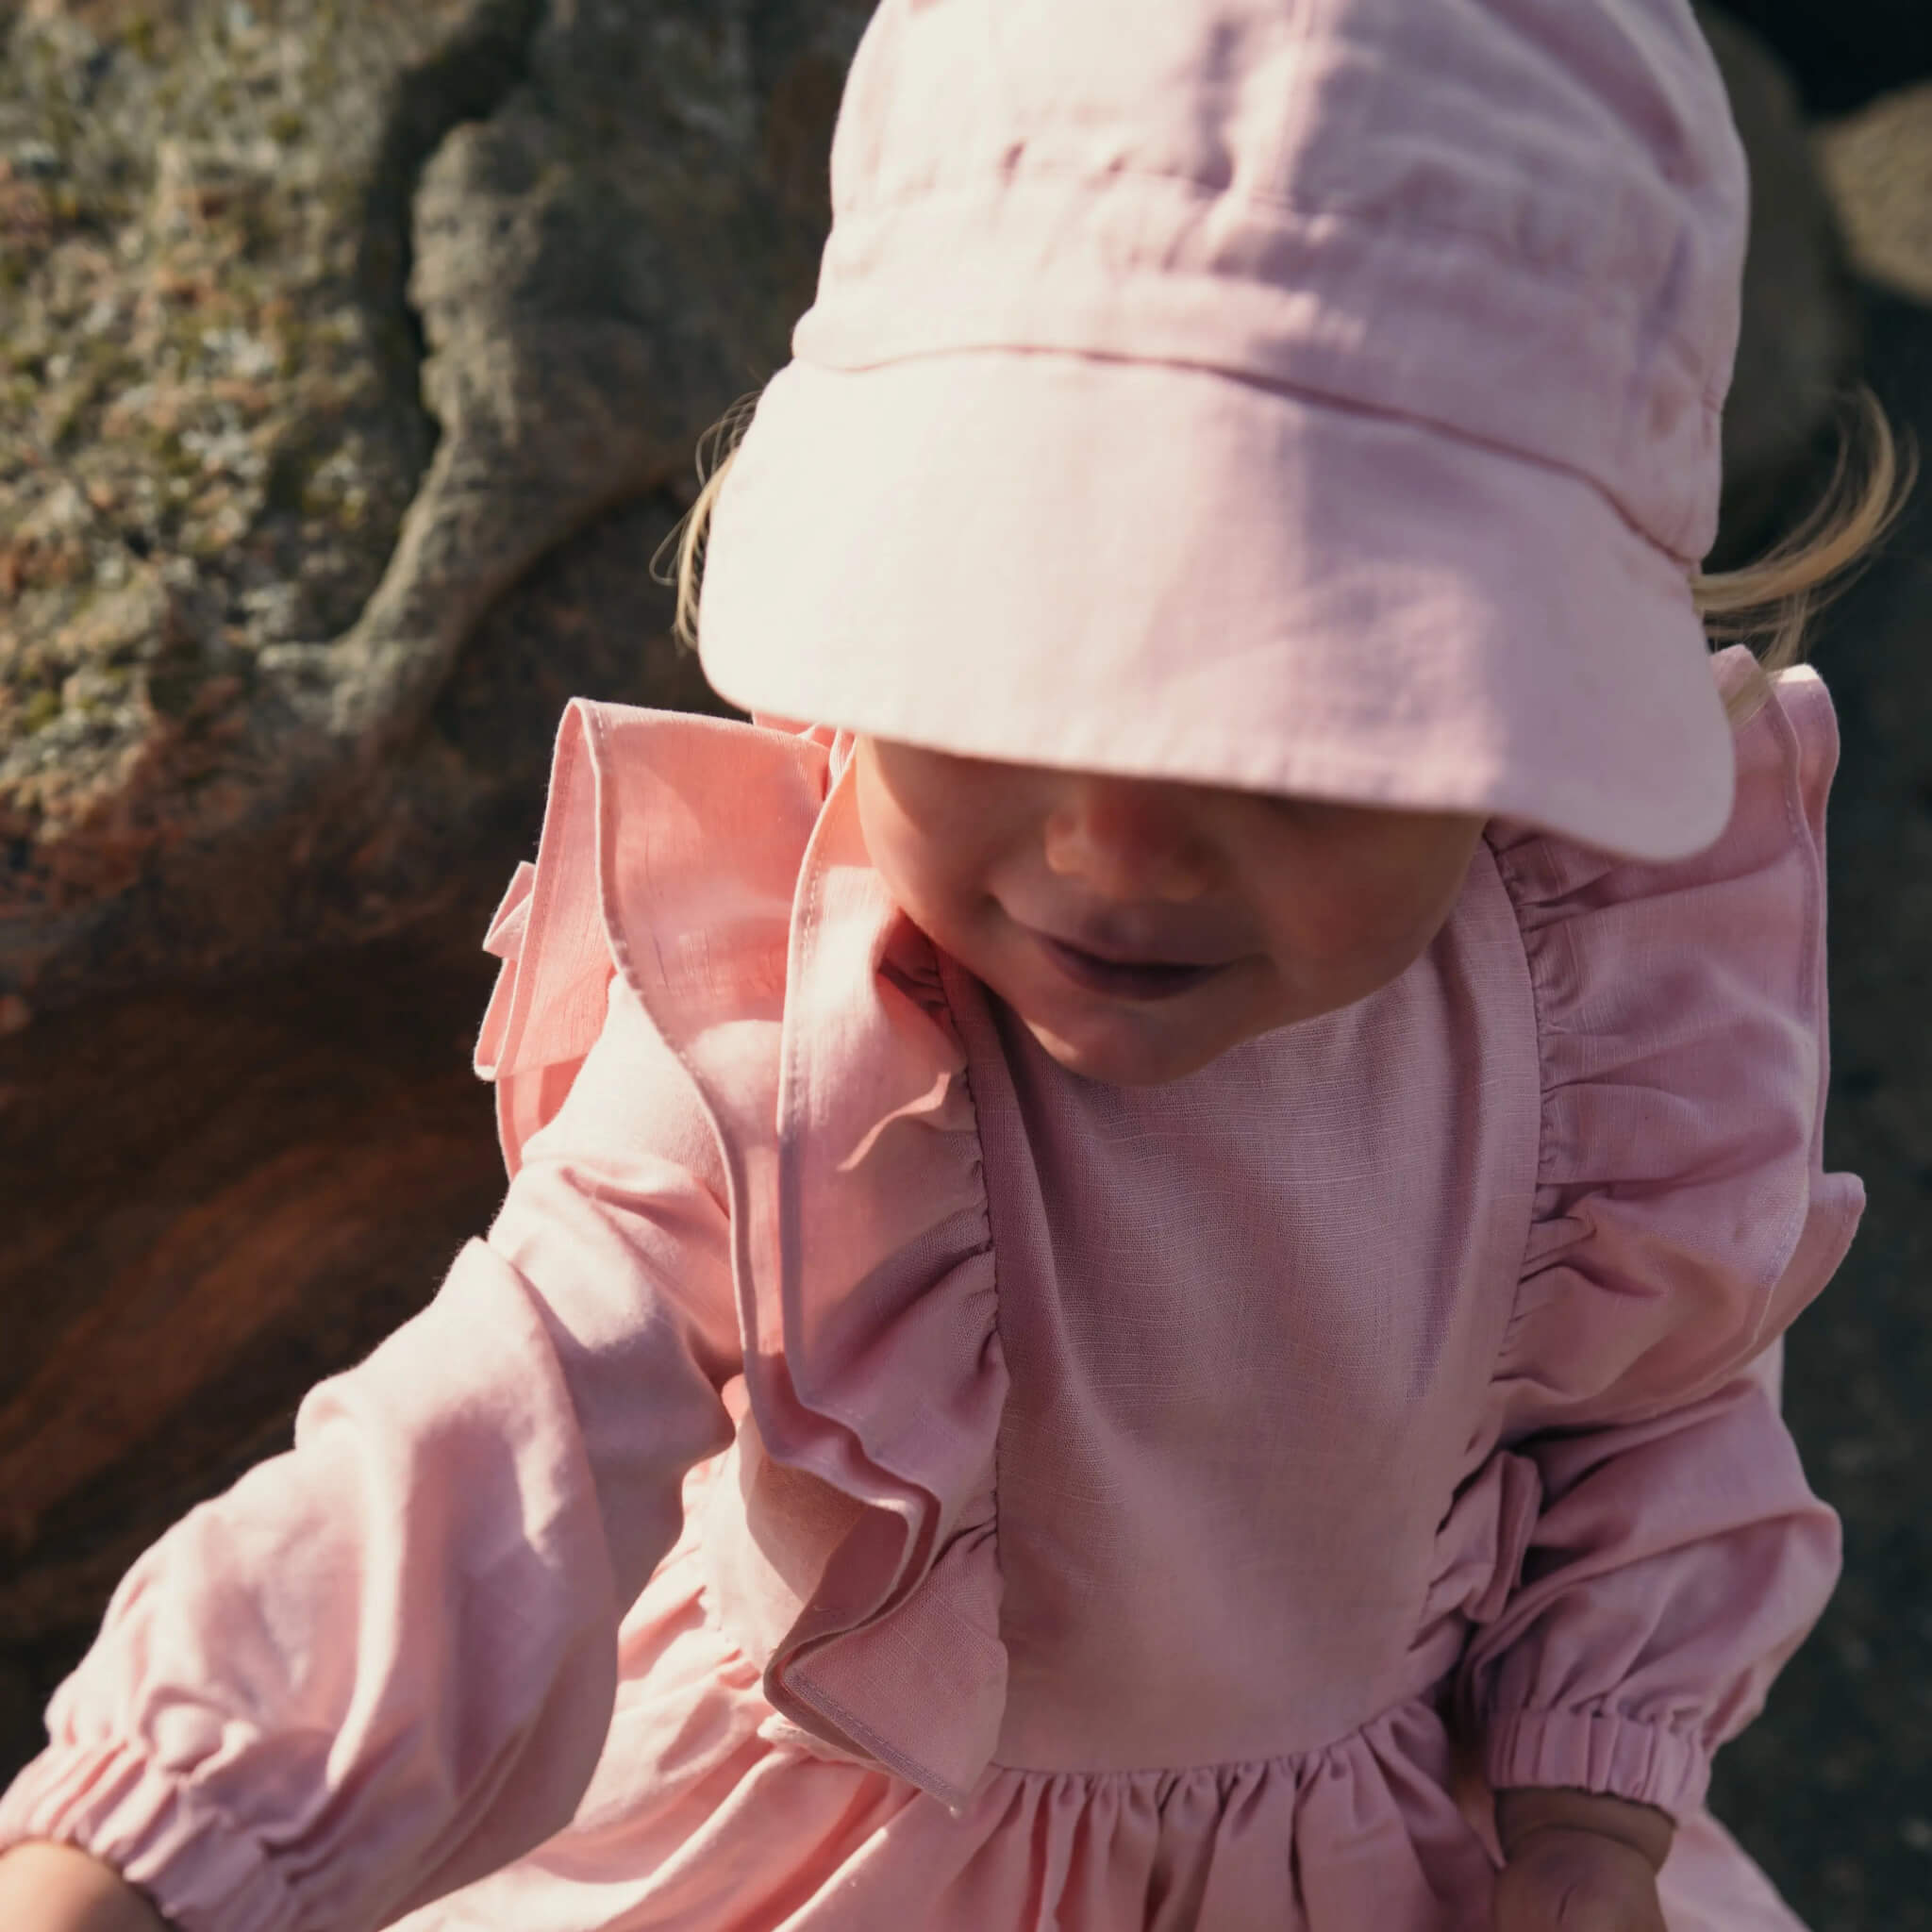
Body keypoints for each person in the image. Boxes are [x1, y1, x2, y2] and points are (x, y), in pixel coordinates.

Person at [0, 0, 1912, 1926]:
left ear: (1514, 711)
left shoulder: (1582, 1010)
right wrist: (153, 1839)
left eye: (1302, 741)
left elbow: (1653, 1415)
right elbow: (488, 1449)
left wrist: (1590, 1814)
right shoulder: (801, 1043)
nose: (1118, 852)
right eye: (1018, 676)